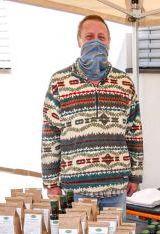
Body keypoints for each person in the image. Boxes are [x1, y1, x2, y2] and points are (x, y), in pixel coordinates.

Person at [41, 15, 143, 213]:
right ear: (79, 41)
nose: (96, 41)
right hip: (75, 189)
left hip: (116, 188)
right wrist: (51, 182)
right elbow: (50, 133)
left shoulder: (124, 82)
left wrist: (135, 175)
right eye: (89, 37)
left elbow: (134, 131)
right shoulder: (59, 81)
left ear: (109, 42)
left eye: (101, 37)